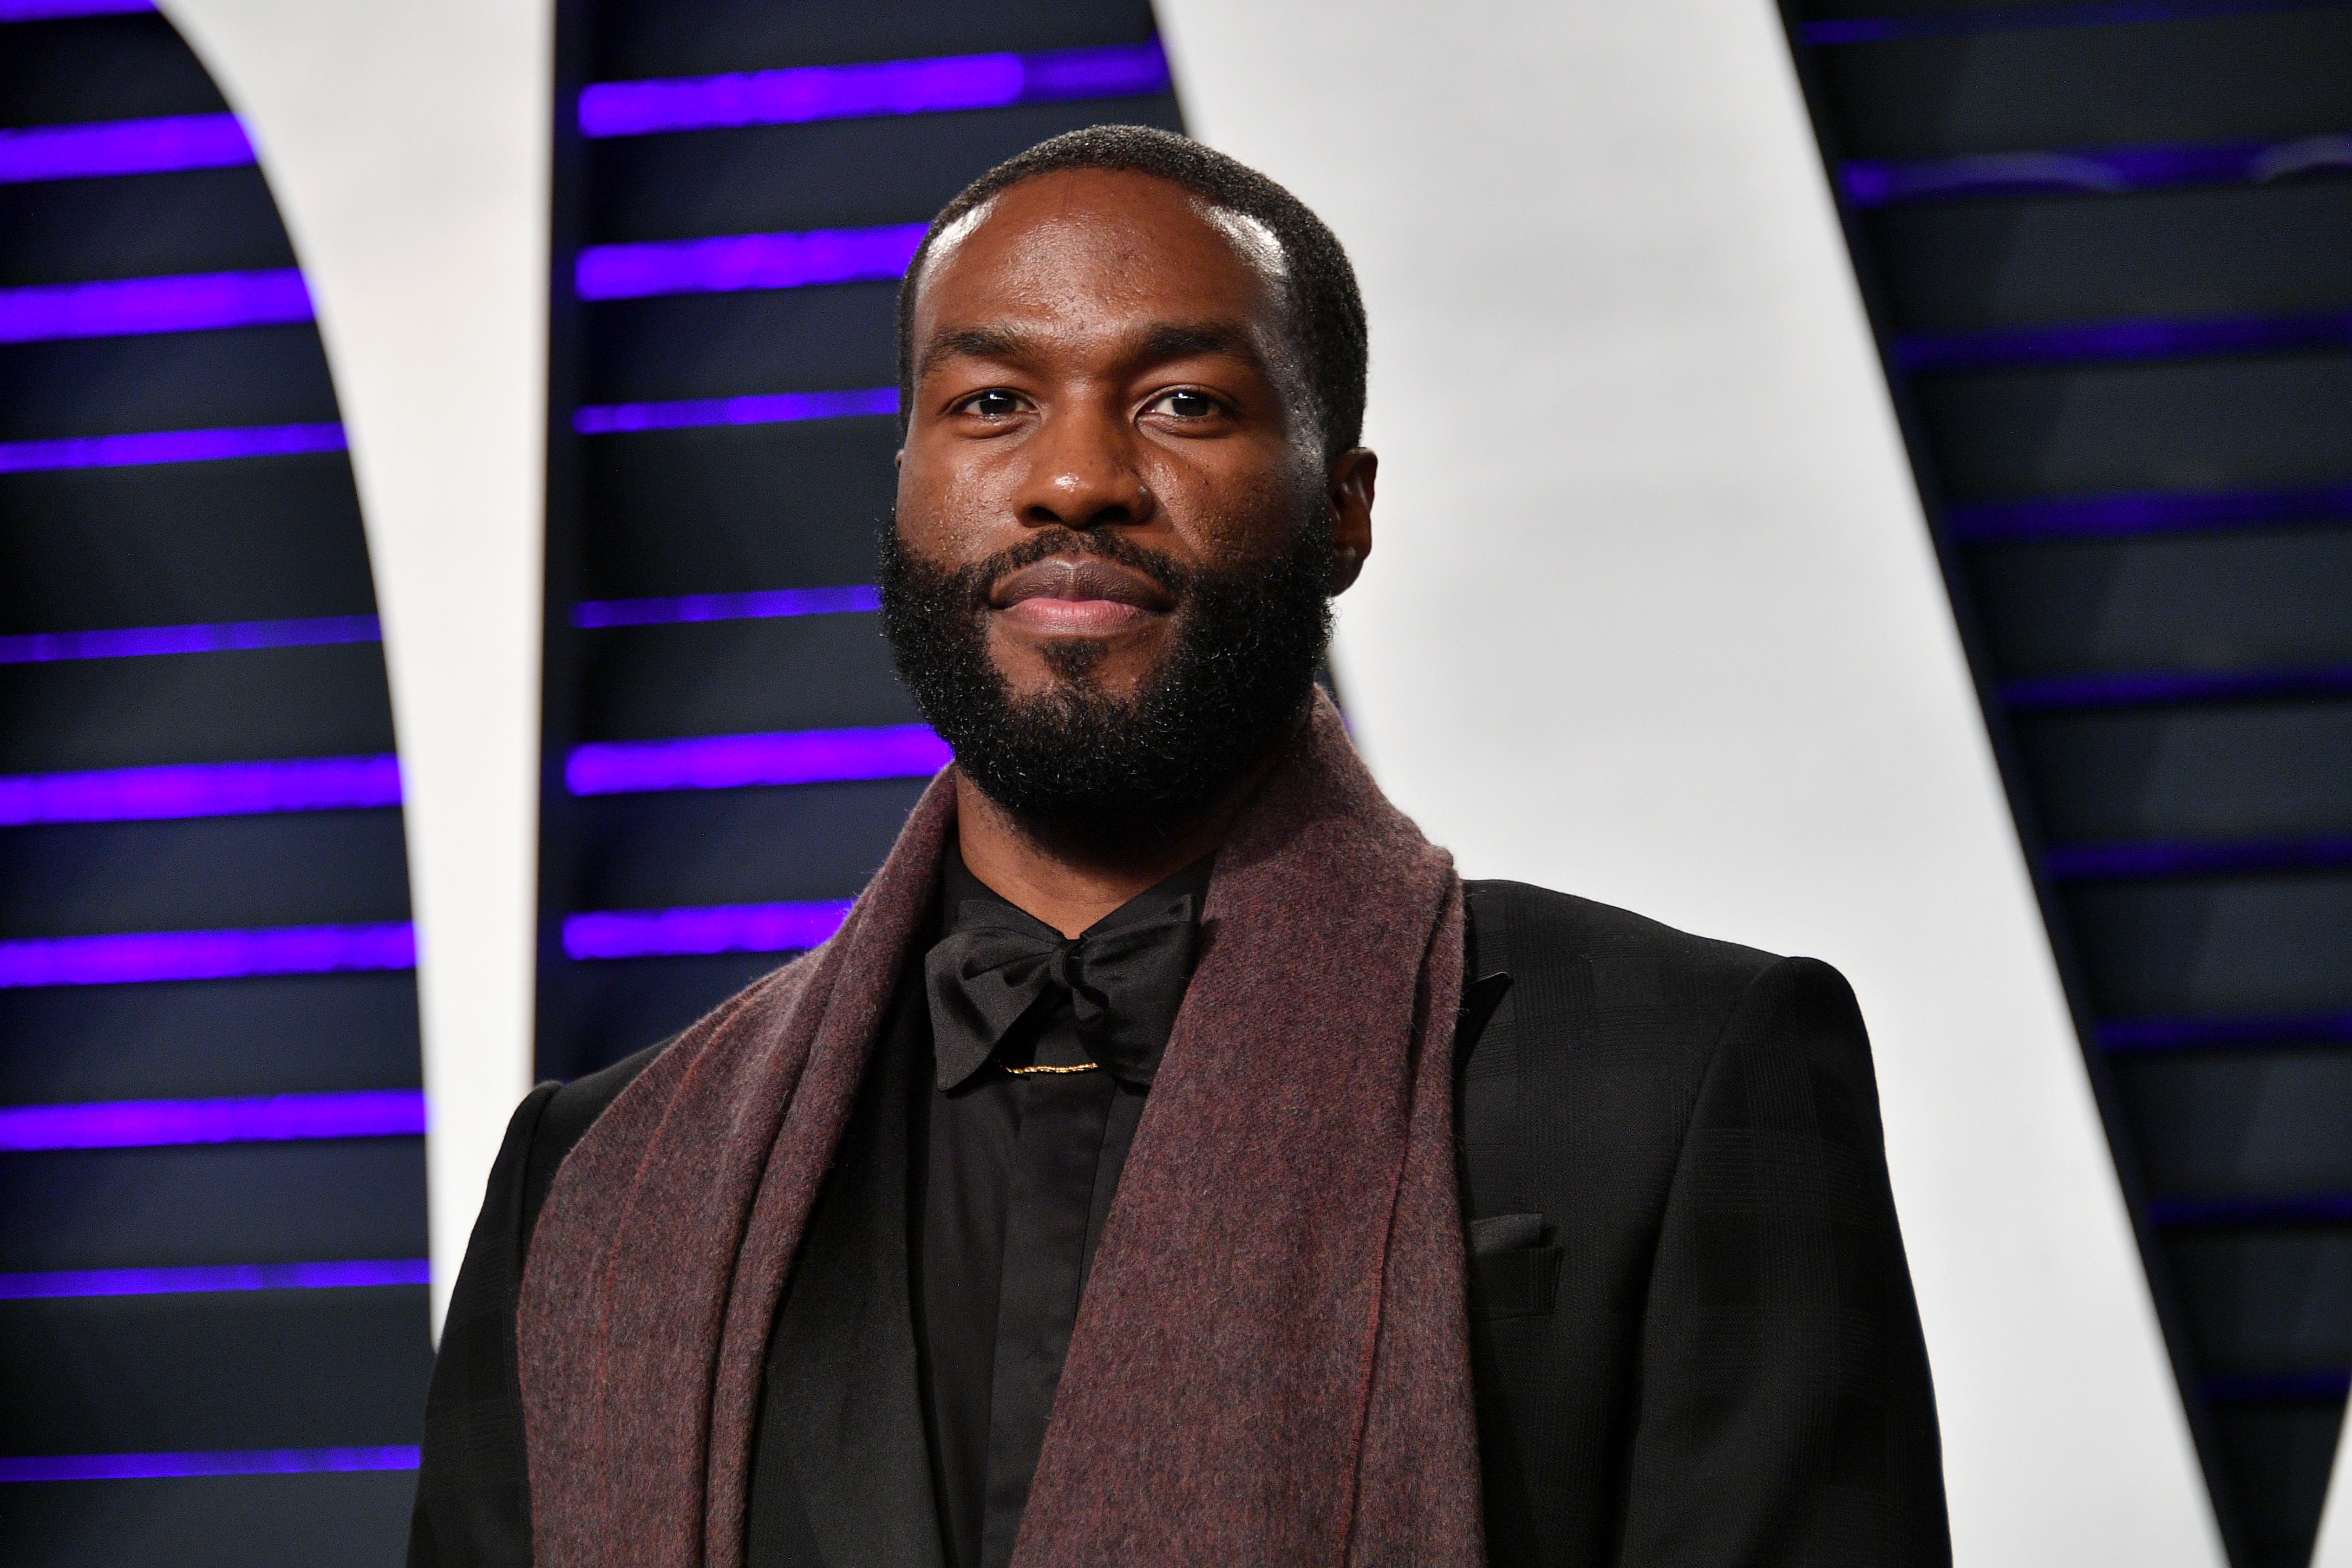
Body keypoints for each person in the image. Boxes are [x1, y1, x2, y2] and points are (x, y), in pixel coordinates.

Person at [409, 125, 1948, 1568]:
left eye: (1182, 404)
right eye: (992, 402)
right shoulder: (597, 1177)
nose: (1074, 478)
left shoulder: (1684, 1067)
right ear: (906, 485)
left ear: (1344, 512)